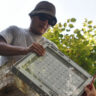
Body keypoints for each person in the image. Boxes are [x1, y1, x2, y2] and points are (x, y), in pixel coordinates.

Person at [0, 1, 57, 96]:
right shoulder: (14, 31)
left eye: (50, 21)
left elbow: (59, 77)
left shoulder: (51, 47)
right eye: (43, 17)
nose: (45, 23)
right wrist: (25, 50)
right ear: (32, 16)